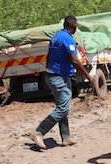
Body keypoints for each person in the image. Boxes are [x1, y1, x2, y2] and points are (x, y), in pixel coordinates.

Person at [29, 16, 98, 150]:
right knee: (63, 108)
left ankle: (65, 137)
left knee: (63, 106)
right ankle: (39, 132)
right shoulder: (67, 38)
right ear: (74, 26)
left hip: (55, 74)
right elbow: (75, 60)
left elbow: (51, 56)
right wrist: (88, 76)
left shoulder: (56, 36)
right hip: (57, 77)